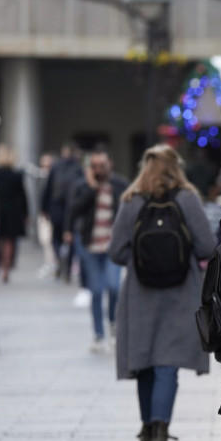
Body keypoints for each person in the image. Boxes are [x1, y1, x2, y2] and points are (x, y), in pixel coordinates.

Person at [109, 145, 215, 441]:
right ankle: (160, 432)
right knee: (167, 364)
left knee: (144, 363)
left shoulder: (131, 201)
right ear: (175, 167)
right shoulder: (186, 199)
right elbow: (207, 246)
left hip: (140, 295)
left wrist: (141, 260)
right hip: (180, 294)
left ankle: (147, 429)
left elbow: (115, 251)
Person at [64, 149, 127, 352]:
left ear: (110, 164)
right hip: (90, 244)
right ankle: (98, 334)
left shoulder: (119, 185)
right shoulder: (82, 186)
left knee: (114, 286)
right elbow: (73, 210)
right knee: (96, 291)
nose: (99, 170)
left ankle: (114, 326)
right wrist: (91, 188)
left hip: (112, 245)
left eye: (102, 165)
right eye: (95, 166)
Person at [43, 143, 83, 282]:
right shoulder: (79, 168)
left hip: (57, 207)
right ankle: (68, 268)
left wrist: (44, 208)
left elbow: (47, 189)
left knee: (56, 237)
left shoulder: (56, 167)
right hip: (72, 208)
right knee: (71, 238)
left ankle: (59, 256)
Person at [0, 144, 28, 284]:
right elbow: (23, 196)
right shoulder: (16, 175)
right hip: (12, 211)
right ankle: (6, 269)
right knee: (8, 241)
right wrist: (25, 213)